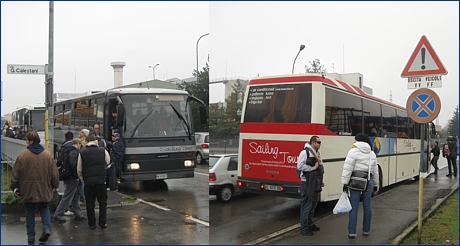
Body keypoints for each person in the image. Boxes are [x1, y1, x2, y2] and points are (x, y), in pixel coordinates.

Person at [10, 131, 59, 244]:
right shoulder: (47, 155)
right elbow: (54, 173)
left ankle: (31, 236)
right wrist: (55, 185)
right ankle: (46, 229)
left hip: (27, 188)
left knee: (29, 211)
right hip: (44, 188)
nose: (26, 142)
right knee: (44, 208)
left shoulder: (23, 155)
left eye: (27, 140)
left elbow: (15, 173)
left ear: (31, 141)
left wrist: (14, 186)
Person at [341, 133, 379, 239]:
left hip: (355, 182)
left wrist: (345, 183)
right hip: (368, 181)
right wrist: (376, 184)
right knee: (367, 206)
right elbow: (375, 171)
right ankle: (366, 230)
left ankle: (352, 232)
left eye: (355, 139)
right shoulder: (372, 153)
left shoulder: (353, 151)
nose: (354, 141)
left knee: (354, 207)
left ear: (358, 141)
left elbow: (348, 168)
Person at [77, 134, 110, 230]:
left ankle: (92, 224)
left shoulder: (82, 152)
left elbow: (79, 169)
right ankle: (102, 222)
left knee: (90, 203)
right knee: (103, 203)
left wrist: (83, 179)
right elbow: (108, 161)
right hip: (101, 181)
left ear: (87, 141)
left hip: (89, 182)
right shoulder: (102, 150)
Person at [53, 138, 86, 223]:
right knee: (67, 197)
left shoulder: (67, 150)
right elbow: (73, 165)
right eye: (80, 145)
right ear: (78, 144)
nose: (80, 147)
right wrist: (76, 176)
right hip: (72, 177)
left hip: (67, 176)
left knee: (75, 196)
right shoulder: (73, 152)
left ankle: (78, 214)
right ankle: (58, 215)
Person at [297, 135, 324, 236]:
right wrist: (312, 168)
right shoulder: (305, 153)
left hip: (315, 182)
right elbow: (299, 166)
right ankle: (304, 227)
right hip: (307, 182)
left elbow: (320, 167)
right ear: (313, 143)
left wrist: (321, 180)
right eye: (318, 142)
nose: (320, 144)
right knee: (307, 204)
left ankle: (309, 223)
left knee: (313, 203)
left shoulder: (316, 153)